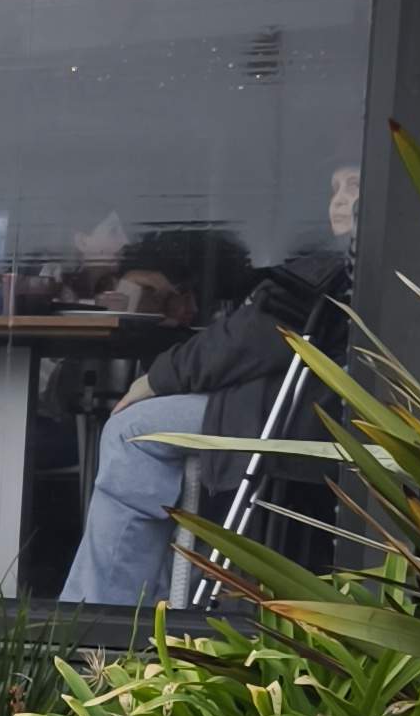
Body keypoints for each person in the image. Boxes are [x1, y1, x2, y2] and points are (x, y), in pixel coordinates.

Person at [61, 164, 358, 605]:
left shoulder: (334, 267)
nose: (339, 200)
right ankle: (149, 602)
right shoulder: (352, 265)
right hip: (317, 412)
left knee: (131, 430)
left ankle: (101, 610)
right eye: (334, 188)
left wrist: (157, 378)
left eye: (354, 186)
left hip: (307, 417)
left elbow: (254, 337)